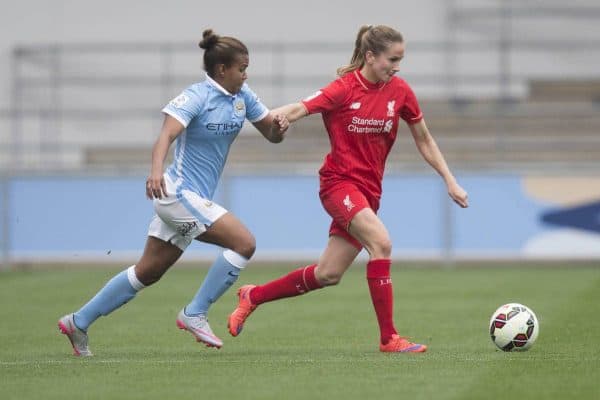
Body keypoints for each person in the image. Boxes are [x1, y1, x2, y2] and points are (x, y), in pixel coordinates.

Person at [227, 25, 468, 353]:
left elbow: (424, 138)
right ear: (371, 56)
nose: (397, 66)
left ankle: (252, 296)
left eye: (401, 59)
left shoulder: (400, 92)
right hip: (338, 185)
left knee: (328, 274)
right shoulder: (343, 89)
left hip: (369, 194)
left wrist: (449, 180)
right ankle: (389, 339)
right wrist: (265, 119)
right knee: (381, 243)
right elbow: (298, 108)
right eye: (392, 59)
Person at [58, 29, 289, 356]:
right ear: (222, 70)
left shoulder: (243, 96)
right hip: (176, 193)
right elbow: (165, 136)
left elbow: (271, 133)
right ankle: (195, 312)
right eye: (242, 68)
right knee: (244, 242)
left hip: (191, 199)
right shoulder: (196, 96)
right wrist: (154, 172)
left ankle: (77, 322)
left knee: (147, 272)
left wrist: (278, 129)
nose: (246, 74)